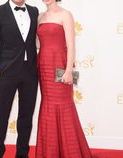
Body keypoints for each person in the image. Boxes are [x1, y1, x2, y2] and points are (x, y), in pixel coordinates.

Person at [36, 0, 93, 158]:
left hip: (60, 64)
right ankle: (49, 152)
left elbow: (71, 45)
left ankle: (69, 152)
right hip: (43, 65)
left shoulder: (65, 14)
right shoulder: (39, 17)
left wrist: (69, 70)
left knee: (63, 105)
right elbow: (36, 43)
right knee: (47, 105)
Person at [0, 0, 38, 157]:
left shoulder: (34, 11)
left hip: (30, 73)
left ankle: (22, 153)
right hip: (7, 72)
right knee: (1, 115)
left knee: (26, 117)